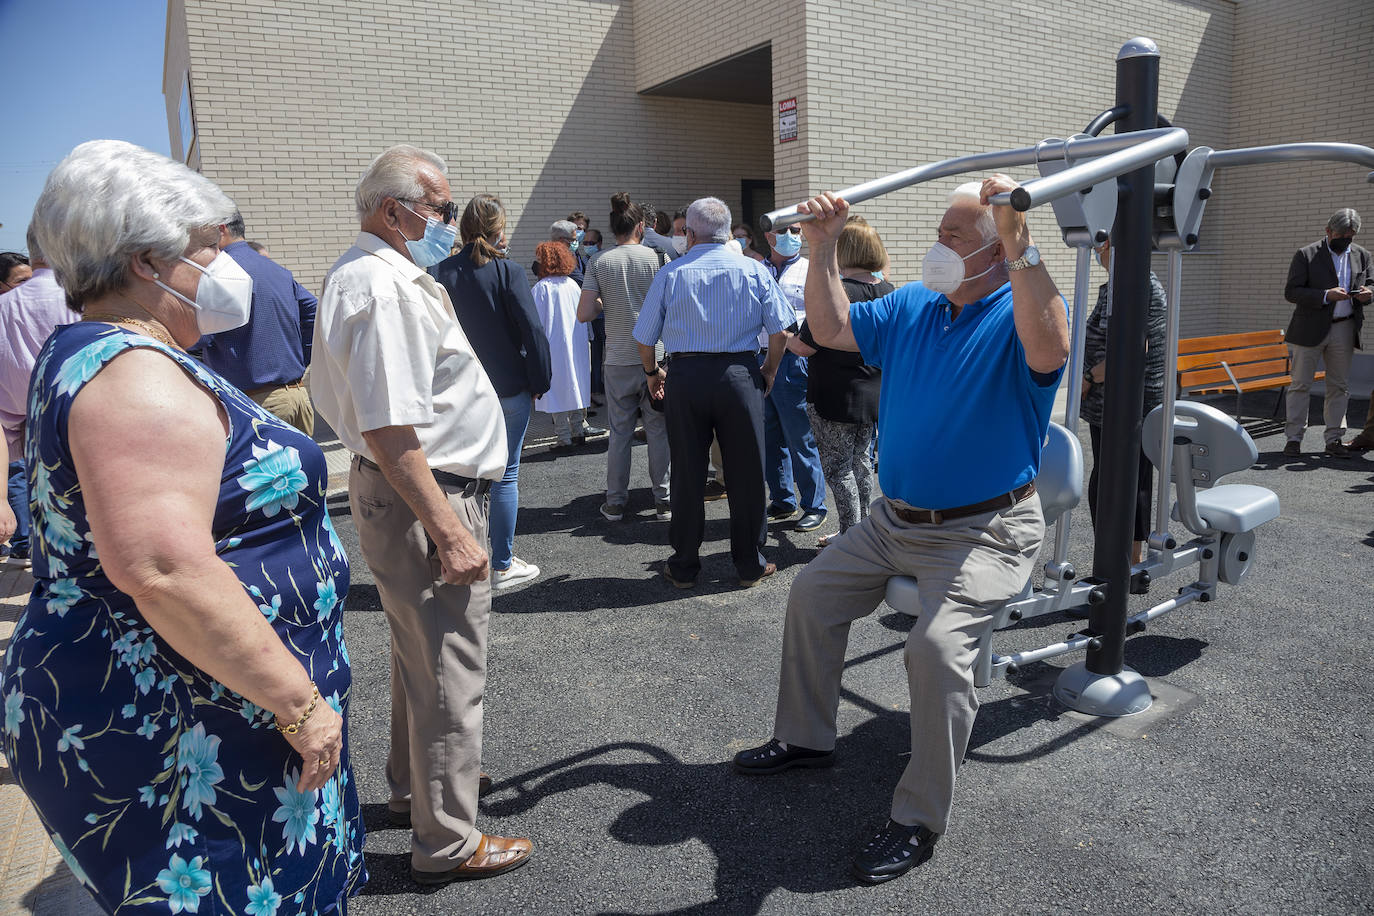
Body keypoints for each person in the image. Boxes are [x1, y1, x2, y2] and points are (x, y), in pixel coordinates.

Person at [1, 139, 365, 912]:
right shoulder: (133, 373)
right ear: (146, 260)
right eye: (209, 246)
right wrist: (298, 705)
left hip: (196, 705)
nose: (225, 261)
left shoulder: (99, 350)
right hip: (188, 724)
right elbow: (164, 569)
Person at [733, 176, 1068, 886]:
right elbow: (829, 332)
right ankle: (806, 737)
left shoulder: (1018, 308)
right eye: (940, 231)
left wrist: (1022, 247)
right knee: (813, 595)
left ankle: (918, 818)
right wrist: (821, 247)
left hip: (984, 528)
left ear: (990, 252)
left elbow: (1051, 350)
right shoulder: (915, 304)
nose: (936, 245)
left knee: (937, 650)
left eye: (953, 236)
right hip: (897, 519)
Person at [310, 145, 533, 884]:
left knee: (421, 658)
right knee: (447, 671)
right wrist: (448, 529)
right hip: (426, 495)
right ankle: (447, 840)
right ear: (394, 210)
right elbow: (390, 426)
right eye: (439, 206)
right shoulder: (386, 288)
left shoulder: (374, 274)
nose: (448, 218)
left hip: (407, 489)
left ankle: (419, 793)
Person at [633, 196, 794, 588]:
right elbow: (782, 330)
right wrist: (769, 369)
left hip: (686, 374)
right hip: (739, 373)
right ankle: (750, 564)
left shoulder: (672, 273)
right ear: (727, 232)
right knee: (747, 472)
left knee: (687, 472)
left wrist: (653, 372)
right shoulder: (754, 270)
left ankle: (685, 565)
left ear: (688, 233)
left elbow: (644, 336)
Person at [431, 193, 552, 591]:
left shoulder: (438, 272)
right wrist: (540, 381)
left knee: (457, 475)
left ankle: (454, 556)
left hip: (458, 391)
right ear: (498, 229)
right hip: (506, 388)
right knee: (505, 474)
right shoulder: (508, 271)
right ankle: (501, 564)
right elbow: (532, 332)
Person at [788, 216, 888, 548]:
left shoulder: (837, 291)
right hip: (874, 395)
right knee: (861, 463)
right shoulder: (888, 290)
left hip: (835, 396)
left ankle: (850, 536)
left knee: (838, 468)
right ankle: (863, 530)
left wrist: (781, 334)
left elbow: (804, 345)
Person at [578, 192, 671, 522]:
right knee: (658, 430)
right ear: (641, 226)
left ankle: (616, 501)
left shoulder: (598, 262)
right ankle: (664, 499)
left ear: (614, 227)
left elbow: (584, 313)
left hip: (617, 358)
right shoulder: (659, 259)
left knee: (619, 433)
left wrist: (607, 303)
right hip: (656, 358)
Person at [1081, 237, 1167, 563]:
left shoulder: (1134, 285)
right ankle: (1123, 562)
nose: (1095, 253)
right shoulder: (1118, 285)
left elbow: (1130, 349)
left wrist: (1089, 379)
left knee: (1122, 481)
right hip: (1111, 405)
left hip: (1125, 404)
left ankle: (1123, 565)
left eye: (1099, 245)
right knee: (1116, 479)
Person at [195, 211, 319, 434]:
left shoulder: (219, 272)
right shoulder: (276, 270)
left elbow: (194, 339)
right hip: (297, 397)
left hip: (257, 404)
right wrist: (299, 360)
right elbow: (315, 312)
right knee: (303, 468)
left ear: (220, 229)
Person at [0, 228, 79, 566]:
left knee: (49, 522)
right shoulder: (83, 297)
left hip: (31, 428)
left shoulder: (4, 306)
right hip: (89, 416)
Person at [1282, 208, 1371, 458]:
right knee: (1300, 384)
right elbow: (1292, 291)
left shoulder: (1362, 255)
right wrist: (1324, 295)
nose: (1346, 240)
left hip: (1345, 326)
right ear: (1328, 231)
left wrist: (1369, 293)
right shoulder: (1306, 254)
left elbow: (1371, 282)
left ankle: (1334, 439)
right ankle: (1294, 438)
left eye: (1351, 236)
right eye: (1342, 235)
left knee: (1339, 386)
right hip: (1308, 328)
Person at [762, 223, 828, 532]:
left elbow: (820, 313)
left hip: (793, 360)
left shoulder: (809, 269)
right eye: (787, 229)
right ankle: (782, 499)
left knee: (799, 435)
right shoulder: (756, 269)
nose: (794, 236)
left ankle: (814, 504)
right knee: (768, 435)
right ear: (769, 236)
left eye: (798, 230)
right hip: (758, 357)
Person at [533, 241, 593, 446]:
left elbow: (535, 321)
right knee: (576, 383)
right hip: (576, 344)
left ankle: (563, 436)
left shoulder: (542, 288)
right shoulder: (572, 285)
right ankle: (578, 429)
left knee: (556, 387)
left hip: (553, 346)